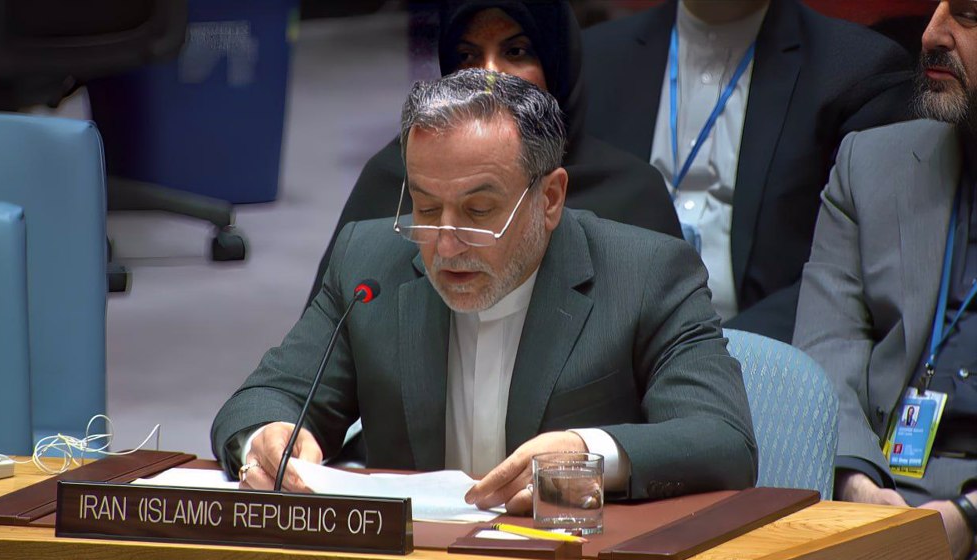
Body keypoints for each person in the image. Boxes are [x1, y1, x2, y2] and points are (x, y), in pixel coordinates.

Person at [212, 69, 757, 513]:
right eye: (426, 209)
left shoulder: (647, 273)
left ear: (549, 198)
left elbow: (721, 437)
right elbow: (261, 401)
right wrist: (270, 436)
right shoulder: (369, 260)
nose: (445, 245)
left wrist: (587, 452)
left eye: (478, 212)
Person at [581, 0, 916, 342]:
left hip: (759, 354)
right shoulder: (592, 57)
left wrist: (708, 353)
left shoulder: (856, 70)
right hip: (608, 351)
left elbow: (852, 275)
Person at [305, 0, 681, 304]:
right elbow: (314, 362)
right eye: (467, 56)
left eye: (514, 51)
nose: (489, 77)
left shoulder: (631, 198)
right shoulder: (396, 179)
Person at [793, 1, 976, 557]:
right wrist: (856, 483)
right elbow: (827, 347)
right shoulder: (870, 164)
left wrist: (969, 516)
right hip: (875, 489)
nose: (931, 34)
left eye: (967, 15)